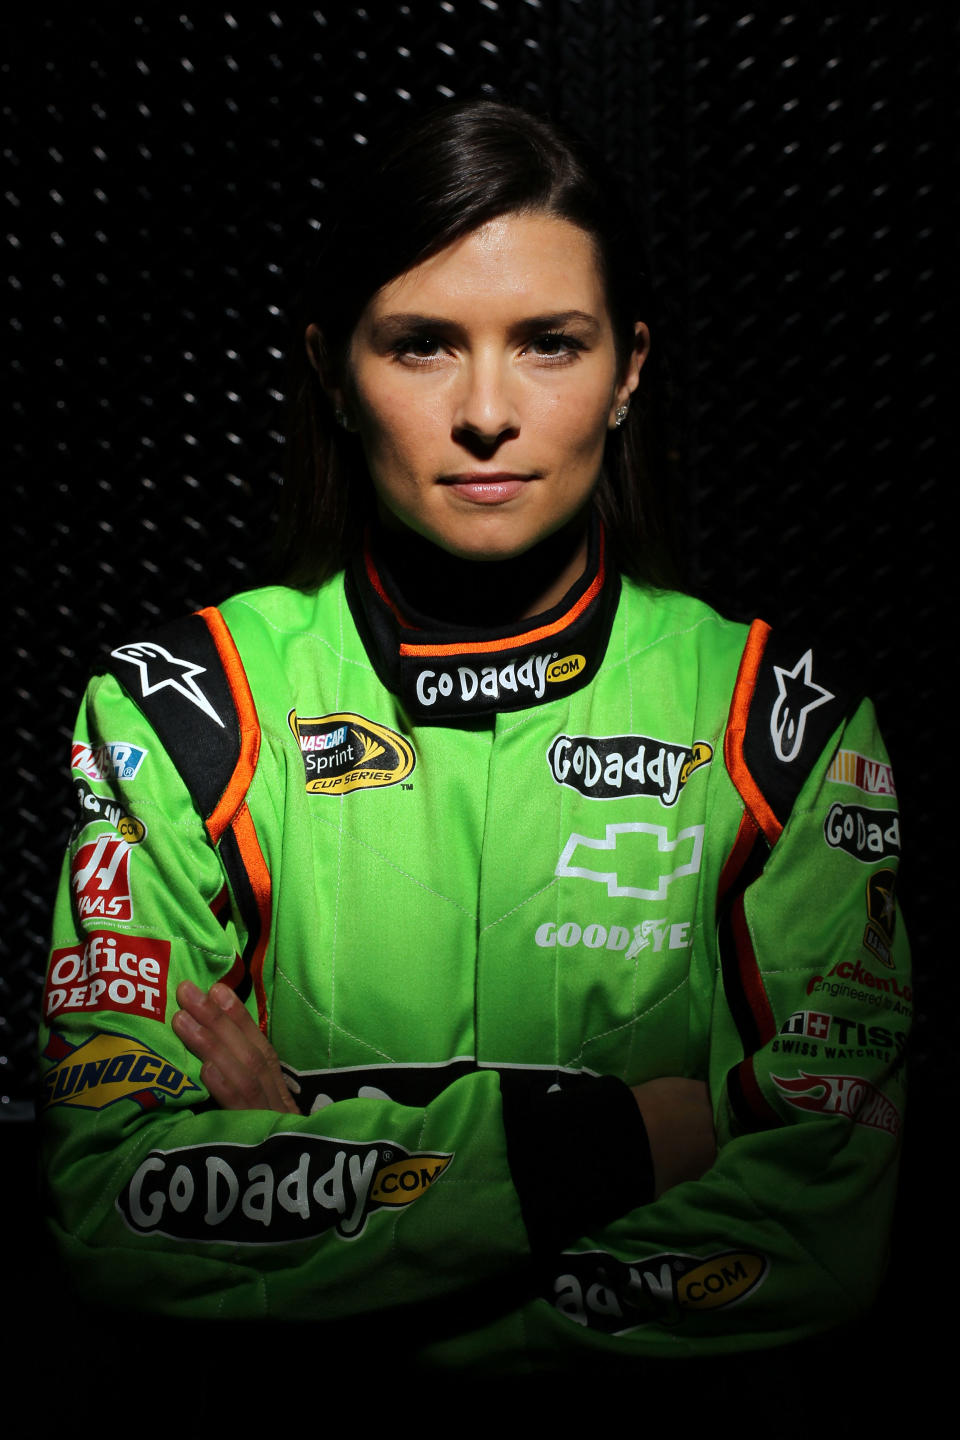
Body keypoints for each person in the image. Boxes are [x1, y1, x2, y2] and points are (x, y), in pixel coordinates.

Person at [40, 99, 908, 1374]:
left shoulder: (787, 721)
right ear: (336, 374)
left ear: (628, 374)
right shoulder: (183, 710)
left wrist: (330, 1204)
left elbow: (821, 1231)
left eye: (550, 343)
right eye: (423, 346)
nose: (487, 411)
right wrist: (634, 1144)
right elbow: (117, 1205)